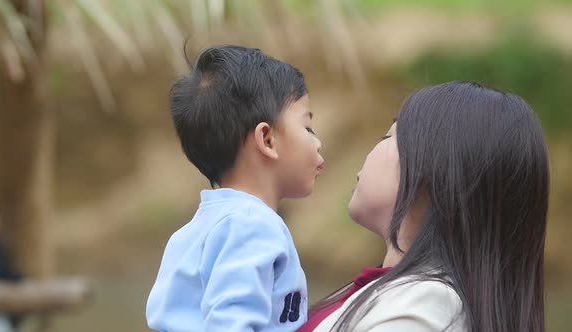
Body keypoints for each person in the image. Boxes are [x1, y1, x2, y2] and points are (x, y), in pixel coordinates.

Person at [300, 81, 549, 332]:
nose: (372, 150)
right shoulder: (414, 297)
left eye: (388, 136)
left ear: (432, 172)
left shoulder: (425, 308)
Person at [146, 45, 324, 331]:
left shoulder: (194, 231)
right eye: (308, 128)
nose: (317, 142)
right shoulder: (253, 226)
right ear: (267, 139)